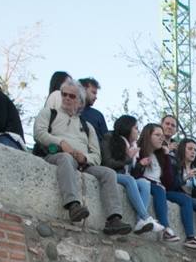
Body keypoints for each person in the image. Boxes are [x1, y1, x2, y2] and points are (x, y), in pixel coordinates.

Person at [33, 80, 133, 232]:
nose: (66, 98)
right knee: (65, 158)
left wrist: (85, 158)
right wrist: (61, 143)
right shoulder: (49, 113)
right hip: (56, 156)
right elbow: (39, 134)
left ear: (79, 101)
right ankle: (73, 205)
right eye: (64, 94)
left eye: (71, 96)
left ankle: (114, 219)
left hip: (82, 163)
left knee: (108, 173)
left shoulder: (88, 127)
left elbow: (96, 156)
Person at [134, 123, 196, 248]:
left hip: (161, 187)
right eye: (157, 135)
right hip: (147, 184)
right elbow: (134, 173)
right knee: (161, 190)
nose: (161, 138)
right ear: (148, 135)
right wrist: (141, 164)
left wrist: (166, 157)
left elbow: (168, 181)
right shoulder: (139, 150)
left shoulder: (162, 156)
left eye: (162, 136)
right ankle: (166, 229)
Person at [100, 115, 158, 235]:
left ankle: (140, 222)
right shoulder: (110, 138)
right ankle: (145, 216)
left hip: (125, 176)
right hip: (110, 174)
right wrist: (128, 158)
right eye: (136, 128)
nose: (138, 131)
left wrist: (141, 164)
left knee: (144, 183)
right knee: (130, 180)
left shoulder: (133, 146)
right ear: (127, 128)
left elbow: (132, 172)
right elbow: (108, 162)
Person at [78, 77, 108, 143]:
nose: (96, 97)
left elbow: (106, 140)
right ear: (83, 90)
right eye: (93, 92)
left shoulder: (98, 115)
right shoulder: (68, 111)